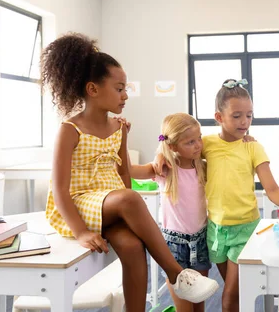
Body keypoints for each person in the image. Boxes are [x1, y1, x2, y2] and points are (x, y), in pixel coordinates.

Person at [40, 33, 218, 311]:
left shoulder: (119, 127)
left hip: (111, 205)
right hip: (79, 204)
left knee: (134, 247)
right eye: (120, 88)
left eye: (126, 89)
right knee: (129, 198)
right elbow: (60, 189)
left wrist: (147, 177)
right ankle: (176, 273)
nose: (126, 95)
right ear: (93, 89)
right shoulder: (69, 129)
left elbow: (124, 176)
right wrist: (80, 232)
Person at [156, 78, 279, 312]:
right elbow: (179, 145)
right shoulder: (206, 143)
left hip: (245, 230)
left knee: (229, 295)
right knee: (233, 294)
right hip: (215, 230)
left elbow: (271, 189)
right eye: (237, 115)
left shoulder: (253, 147)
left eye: (249, 115)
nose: (245, 122)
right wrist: (160, 156)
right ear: (219, 117)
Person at [131, 113, 211, 312]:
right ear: (173, 146)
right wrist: (122, 137)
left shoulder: (203, 167)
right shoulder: (164, 170)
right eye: (190, 142)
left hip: (201, 240)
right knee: (185, 308)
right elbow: (130, 171)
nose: (198, 145)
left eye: (199, 138)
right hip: (174, 246)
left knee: (198, 306)